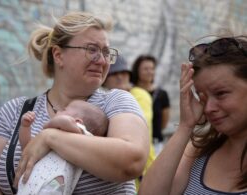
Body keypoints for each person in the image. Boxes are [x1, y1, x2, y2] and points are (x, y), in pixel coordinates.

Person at [0, 11, 150, 195]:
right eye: (92, 50)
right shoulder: (15, 111)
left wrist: (50, 138)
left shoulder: (116, 101)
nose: (103, 60)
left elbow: (132, 161)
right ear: (58, 55)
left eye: (106, 52)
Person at [139, 36, 247, 194]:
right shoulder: (198, 151)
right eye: (202, 97)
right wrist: (185, 126)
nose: (208, 108)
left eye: (221, 93)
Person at [17, 99, 108, 195]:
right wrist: (25, 127)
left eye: (63, 110)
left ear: (78, 121)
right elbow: (27, 147)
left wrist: (47, 127)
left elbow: (66, 122)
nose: (57, 111)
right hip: (29, 187)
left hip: (52, 185)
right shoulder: (52, 139)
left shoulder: (81, 134)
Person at [103, 55, 156, 191]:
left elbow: (136, 130)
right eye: (114, 74)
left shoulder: (139, 94)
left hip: (142, 169)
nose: (120, 77)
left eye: (123, 72)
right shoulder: (103, 100)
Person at [130, 55, 170, 154]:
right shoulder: (130, 93)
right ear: (137, 71)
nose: (150, 72)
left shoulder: (162, 94)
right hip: (135, 143)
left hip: (155, 144)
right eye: (145, 69)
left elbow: (163, 123)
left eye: (152, 69)